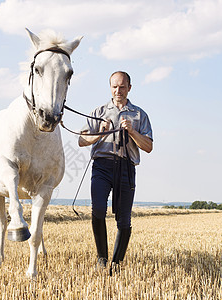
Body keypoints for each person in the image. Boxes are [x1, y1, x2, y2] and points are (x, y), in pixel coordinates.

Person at [78, 71, 153, 273]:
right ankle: (101, 258)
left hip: (126, 167)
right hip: (102, 166)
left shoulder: (139, 115)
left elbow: (148, 147)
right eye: (114, 86)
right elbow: (81, 140)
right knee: (98, 210)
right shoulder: (98, 111)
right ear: (110, 87)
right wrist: (100, 133)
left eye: (122, 86)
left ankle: (116, 264)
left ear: (129, 87)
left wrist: (132, 131)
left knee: (124, 219)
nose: (118, 90)